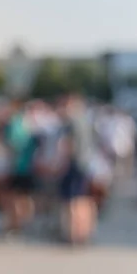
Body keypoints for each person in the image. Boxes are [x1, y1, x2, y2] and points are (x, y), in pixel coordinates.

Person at [55, 95, 96, 244]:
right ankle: (84, 232)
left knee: (71, 200)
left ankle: (72, 234)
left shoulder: (71, 123)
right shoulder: (87, 121)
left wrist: (62, 164)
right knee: (83, 198)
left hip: (74, 164)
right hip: (86, 163)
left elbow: (68, 145)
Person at [2, 99, 40, 236]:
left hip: (19, 167)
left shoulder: (15, 123)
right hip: (29, 166)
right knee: (25, 198)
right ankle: (25, 224)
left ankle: (15, 225)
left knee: (14, 198)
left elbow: (13, 144)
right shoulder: (31, 122)